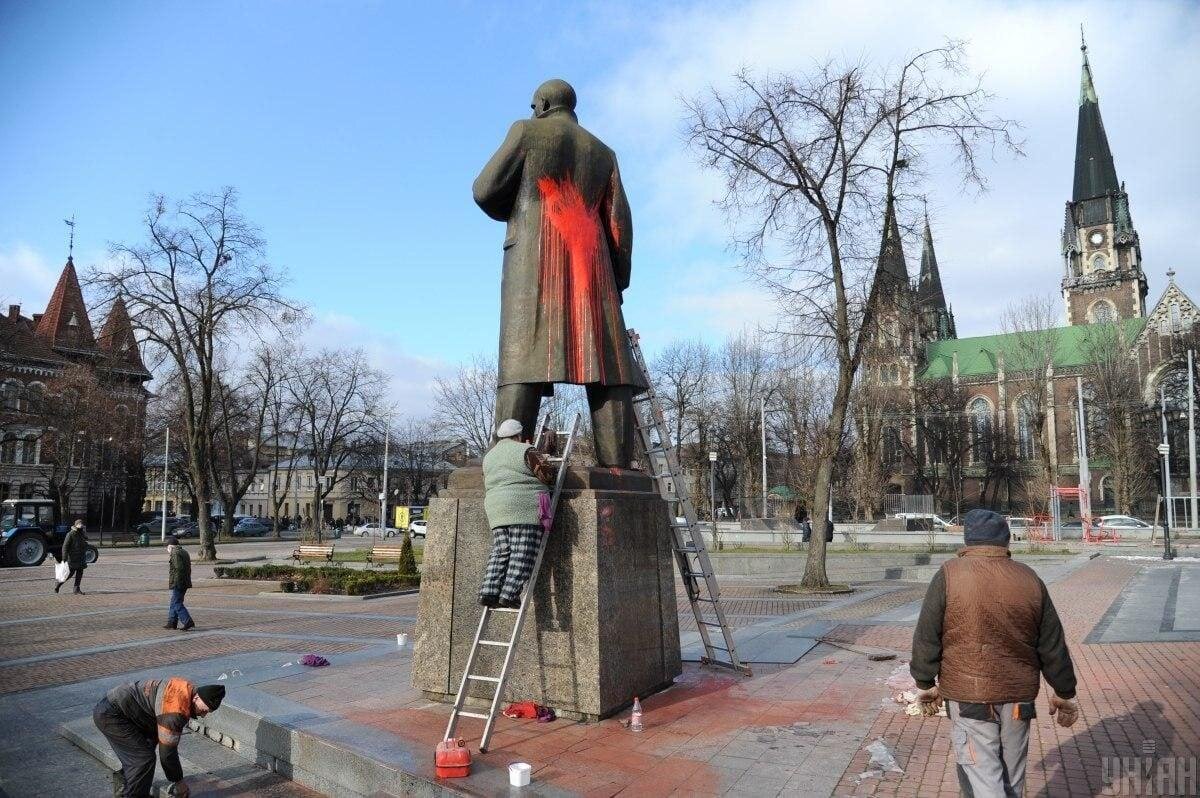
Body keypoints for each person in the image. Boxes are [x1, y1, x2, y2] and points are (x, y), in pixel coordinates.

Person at [910, 509, 1079, 798]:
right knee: (1011, 779)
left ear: (967, 540)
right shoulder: (1029, 578)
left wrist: (925, 683)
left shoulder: (950, 575)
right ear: (1007, 540)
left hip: (968, 697)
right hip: (1018, 697)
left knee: (983, 778)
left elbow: (927, 634)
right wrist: (1064, 691)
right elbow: (1052, 642)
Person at [93, 677, 225, 797]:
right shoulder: (175, 711)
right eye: (204, 710)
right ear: (196, 698)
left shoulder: (186, 689)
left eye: (208, 712)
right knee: (142, 758)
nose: (203, 715)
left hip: (127, 711)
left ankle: (124, 788)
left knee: (147, 745)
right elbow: (167, 753)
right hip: (112, 715)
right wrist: (179, 781)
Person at [478, 418, 556, 608]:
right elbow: (547, 475)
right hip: (523, 508)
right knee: (522, 553)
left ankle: (488, 592)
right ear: (518, 435)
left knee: (501, 552)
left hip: (496, 510)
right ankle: (509, 595)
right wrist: (542, 455)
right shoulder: (526, 450)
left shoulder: (489, 456)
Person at [163, 536, 194, 631]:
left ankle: (187, 621)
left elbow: (178, 568)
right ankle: (172, 622)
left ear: (170, 547)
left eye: (167, 548)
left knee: (177, 602)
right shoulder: (184, 551)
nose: (167, 550)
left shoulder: (175, 553)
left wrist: (175, 582)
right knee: (174, 602)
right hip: (184, 581)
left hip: (178, 582)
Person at [55, 519, 88, 594]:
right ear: (76, 526)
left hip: (81, 557)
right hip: (73, 557)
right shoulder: (70, 534)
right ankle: (58, 584)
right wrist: (64, 557)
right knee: (69, 574)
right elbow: (65, 547)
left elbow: (84, 542)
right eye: (79, 526)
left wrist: (85, 545)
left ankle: (76, 588)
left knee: (80, 573)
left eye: (82, 526)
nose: (81, 527)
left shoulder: (82, 533)